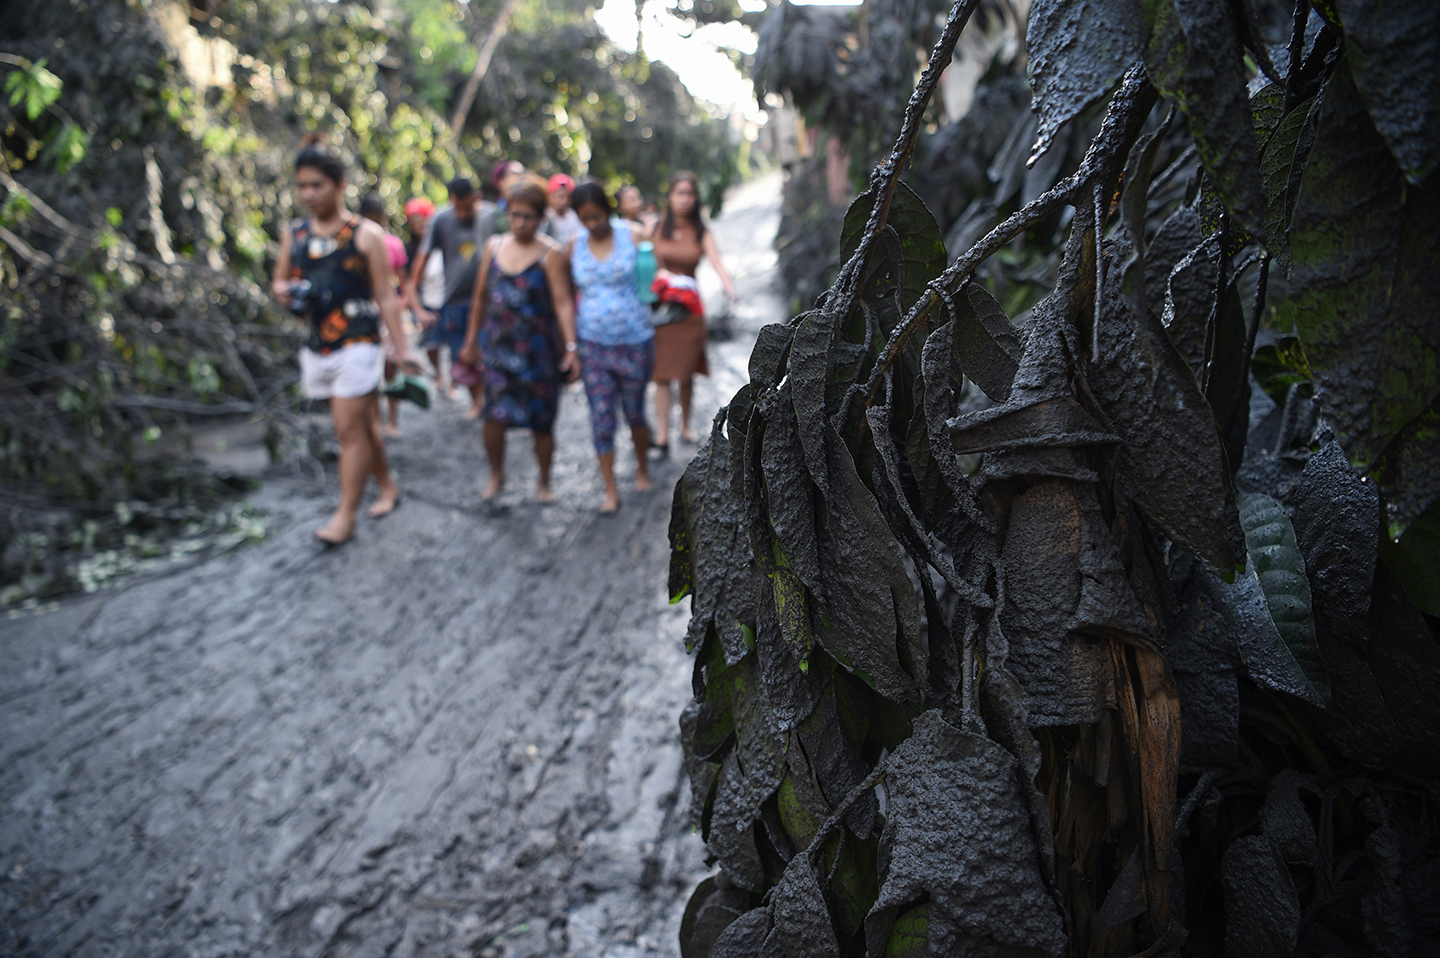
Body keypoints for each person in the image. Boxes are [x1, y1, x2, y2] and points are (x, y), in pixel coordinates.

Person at [271, 141, 418, 545]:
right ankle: (387, 486)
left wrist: (402, 351)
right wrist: (288, 293)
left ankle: (345, 516)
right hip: (318, 345)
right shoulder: (295, 234)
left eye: (317, 185)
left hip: (360, 342)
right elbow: (279, 283)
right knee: (364, 424)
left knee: (347, 429)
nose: (309, 194)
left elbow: (386, 296)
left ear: (339, 185)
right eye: (302, 186)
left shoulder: (366, 235)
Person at [459, 181, 579, 503]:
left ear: (541, 218)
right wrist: (470, 342)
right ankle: (496, 476)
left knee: (542, 422)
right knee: (493, 418)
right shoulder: (494, 247)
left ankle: (543, 482)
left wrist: (571, 349)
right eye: (515, 215)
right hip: (498, 351)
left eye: (528, 217)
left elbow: (563, 304)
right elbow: (480, 299)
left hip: (539, 354)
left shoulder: (550, 253)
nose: (520, 223)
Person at [568, 182, 655, 514]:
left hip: (635, 339)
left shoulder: (632, 234)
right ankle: (610, 488)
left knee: (635, 412)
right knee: (601, 417)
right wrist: (570, 345)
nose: (592, 224)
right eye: (584, 218)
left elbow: (652, 278)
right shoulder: (573, 246)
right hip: (593, 344)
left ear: (608, 209)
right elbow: (562, 296)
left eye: (597, 216)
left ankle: (642, 467)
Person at [649, 171, 736, 451]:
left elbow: (717, 262)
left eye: (690, 194)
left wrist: (729, 288)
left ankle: (685, 426)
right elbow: (645, 264)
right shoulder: (656, 228)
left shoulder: (701, 231)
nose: (685, 199)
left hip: (690, 311)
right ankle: (662, 433)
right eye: (679, 193)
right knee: (662, 374)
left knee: (685, 373)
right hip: (661, 310)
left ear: (695, 199)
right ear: (670, 197)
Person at [408, 177, 495, 419]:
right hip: (457, 300)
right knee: (462, 354)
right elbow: (422, 258)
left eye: (468, 207)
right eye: (459, 207)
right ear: (451, 201)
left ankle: (490, 399)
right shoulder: (441, 219)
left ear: (476, 198)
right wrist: (414, 300)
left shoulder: (490, 216)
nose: (464, 213)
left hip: (489, 299)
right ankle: (477, 400)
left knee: (489, 350)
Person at [360, 193, 410, 438]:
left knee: (391, 368)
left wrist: (405, 302)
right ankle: (376, 421)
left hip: (388, 310)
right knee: (371, 369)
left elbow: (402, 279)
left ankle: (392, 420)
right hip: (366, 312)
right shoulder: (355, 243)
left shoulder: (391, 244)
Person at [402, 197, 449, 395]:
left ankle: (454, 379)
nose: (420, 226)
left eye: (424, 221)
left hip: (448, 299)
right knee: (431, 343)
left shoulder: (445, 243)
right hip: (426, 301)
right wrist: (418, 310)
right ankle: (439, 374)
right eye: (416, 222)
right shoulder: (410, 250)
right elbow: (408, 282)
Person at [543, 173, 583, 247]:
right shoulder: (544, 217)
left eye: (568, 197)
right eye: (560, 196)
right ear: (549, 196)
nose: (564, 201)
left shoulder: (574, 216)